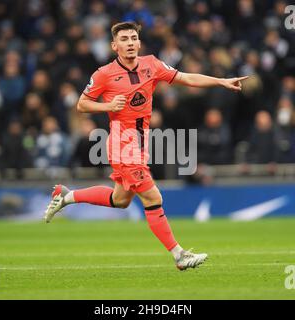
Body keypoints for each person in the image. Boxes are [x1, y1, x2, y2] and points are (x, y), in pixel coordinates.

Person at [44, 22, 248, 271]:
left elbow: (185, 78)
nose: (129, 43)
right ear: (114, 45)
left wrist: (220, 81)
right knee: (153, 196)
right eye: (124, 39)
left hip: (140, 142)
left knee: (120, 200)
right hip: (122, 142)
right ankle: (179, 254)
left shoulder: (152, 64)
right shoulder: (103, 74)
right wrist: (107, 106)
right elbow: (82, 104)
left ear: (139, 43)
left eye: (133, 38)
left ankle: (68, 196)